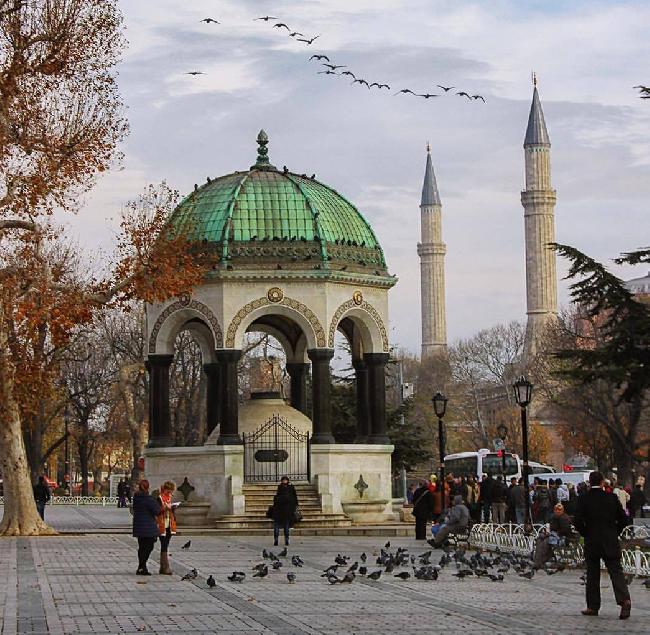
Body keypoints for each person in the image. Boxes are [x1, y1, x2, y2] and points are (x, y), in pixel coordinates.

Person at [574, 471, 631, 620]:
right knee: (616, 571)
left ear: (589, 483)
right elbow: (624, 520)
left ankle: (592, 606)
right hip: (610, 539)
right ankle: (624, 600)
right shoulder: (611, 498)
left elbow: (577, 521)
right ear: (601, 483)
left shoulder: (583, 499)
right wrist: (614, 532)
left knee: (592, 574)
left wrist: (586, 532)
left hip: (592, 540)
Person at [131, 479, 161, 575]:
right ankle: (142, 566)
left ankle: (141, 567)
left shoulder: (136, 498)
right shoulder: (148, 499)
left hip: (139, 525)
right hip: (148, 526)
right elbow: (157, 511)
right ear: (147, 487)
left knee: (142, 546)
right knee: (149, 547)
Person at [533, 503, 574, 569]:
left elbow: (566, 530)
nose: (557, 511)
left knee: (545, 541)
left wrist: (556, 533)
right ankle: (538, 561)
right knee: (540, 540)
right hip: (554, 536)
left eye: (559, 510)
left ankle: (540, 561)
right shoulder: (554, 517)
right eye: (556, 509)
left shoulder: (564, 518)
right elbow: (551, 528)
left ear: (562, 510)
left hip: (563, 538)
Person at [156, 480, 177, 575]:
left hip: (169, 524)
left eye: (171, 491)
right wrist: (165, 508)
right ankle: (166, 567)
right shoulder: (159, 498)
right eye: (168, 491)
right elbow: (157, 510)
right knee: (164, 544)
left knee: (166, 544)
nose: (170, 493)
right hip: (162, 523)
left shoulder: (169, 497)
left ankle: (163, 566)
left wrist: (172, 508)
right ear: (164, 489)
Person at [272, 476, 298, 547]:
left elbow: (274, 504)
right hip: (286, 512)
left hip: (279, 513)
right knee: (286, 526)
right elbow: (295, 499)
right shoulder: (290, 495)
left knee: (277, 526)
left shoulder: (278, 496)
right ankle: (286, 540)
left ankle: (276, 540)